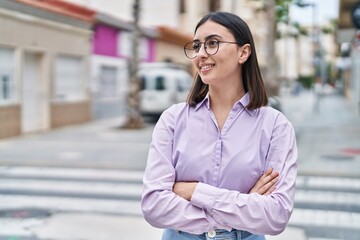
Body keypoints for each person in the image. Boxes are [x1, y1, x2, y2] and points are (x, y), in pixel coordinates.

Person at [141, 11, 297, 240]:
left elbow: (276, 216)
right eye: (196, 46)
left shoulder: (275, 126)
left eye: (212, 43)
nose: (201, 54)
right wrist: (242, 208)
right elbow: (153, 206)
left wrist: (192, 191)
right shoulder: (172, 120)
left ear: (243, 52)